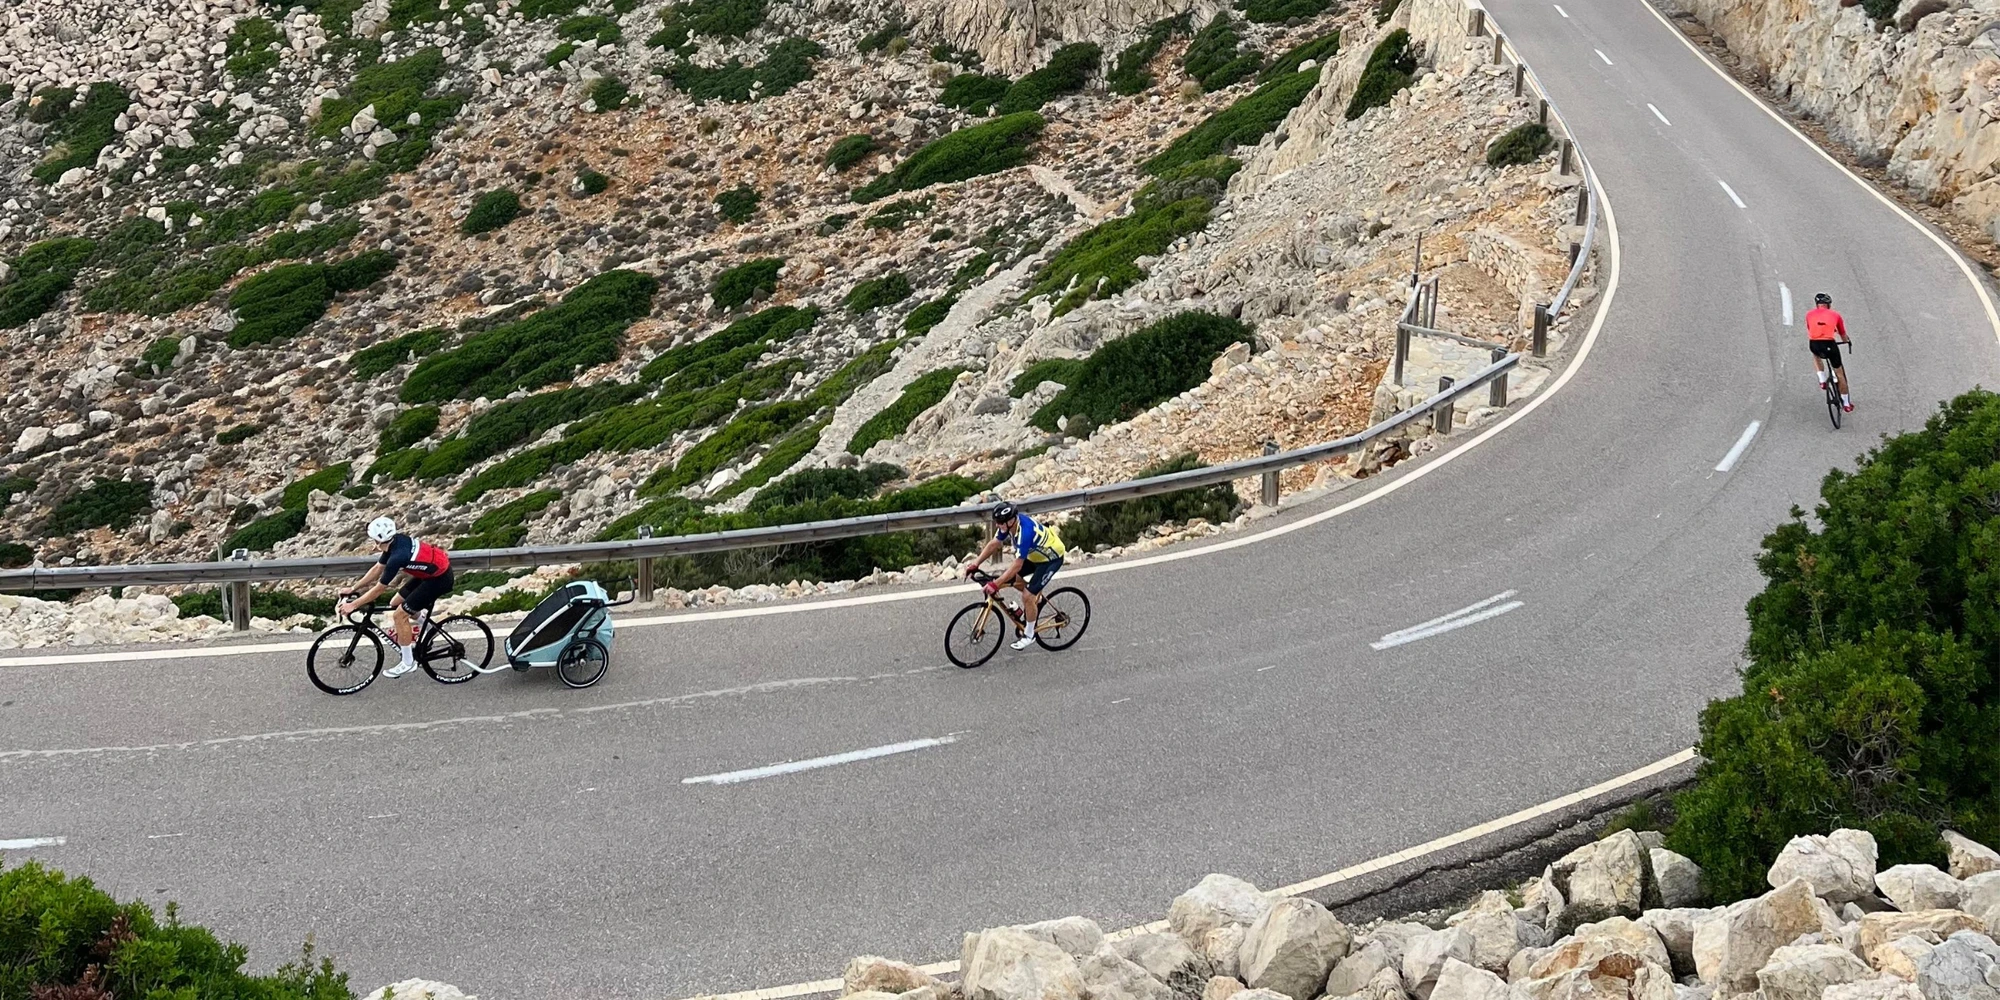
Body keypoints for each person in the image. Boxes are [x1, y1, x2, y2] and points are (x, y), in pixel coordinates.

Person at [336, 517, 454, 678]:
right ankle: (428, 628)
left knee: (400, 615)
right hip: (430, 574)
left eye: (373, 539)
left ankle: (408, 663)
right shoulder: (392, 542)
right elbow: (377, 568)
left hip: (439, 580)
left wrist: (354, 604)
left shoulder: (397, 556)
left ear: (379, 541)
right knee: (395, 603)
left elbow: (379, 589)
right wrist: (353, 588)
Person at [962, 501, 1067, 650]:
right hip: (1035, 556)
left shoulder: (1025, 532)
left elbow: (1017, 564)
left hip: (1051, 559)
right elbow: (994, 543)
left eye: (1000, 523)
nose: (997, 525)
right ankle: (1032, 604)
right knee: (1015, 580)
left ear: (1010, 521)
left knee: (1027, 596)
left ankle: (1030, 634)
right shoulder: (1010, 525)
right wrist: (975, 564)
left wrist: (995, 584)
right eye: (996, 522)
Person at [1805, 292, 1853, 413]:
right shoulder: (1835, 315)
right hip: (1829, 344)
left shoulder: (1809, 314)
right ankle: (1846, 404)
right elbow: (1842, 334)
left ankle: (1822, 379)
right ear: (1828, 304)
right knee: (1839, 372)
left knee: (1816, 356)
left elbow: (1811, 329)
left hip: (1814, 343)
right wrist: (1846, 341)